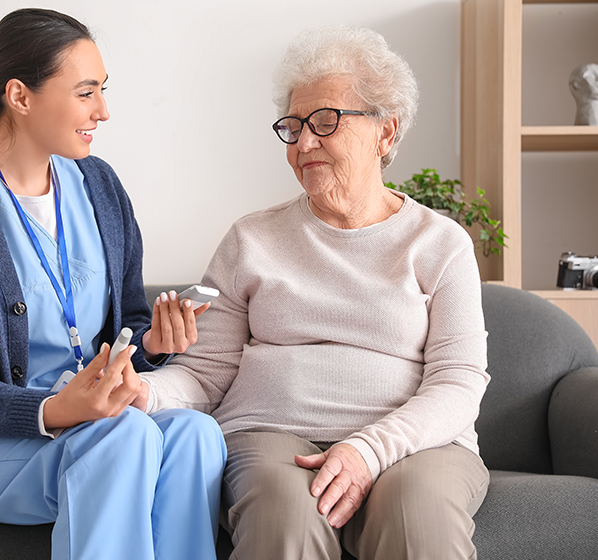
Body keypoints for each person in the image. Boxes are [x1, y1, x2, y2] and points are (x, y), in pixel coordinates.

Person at [0, 9, 226, 560]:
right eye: (86, 93)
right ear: (20, 95)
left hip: (96, 425)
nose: (103, 111)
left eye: (102, 91)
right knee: (123, 434)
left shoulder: (99, 186)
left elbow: (125, 322)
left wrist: (151, 342)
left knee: (196, 436)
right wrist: (57, 410)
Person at [141, 26, 490, 560]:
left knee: (419, 522)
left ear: (386, 132)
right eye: (294, 126)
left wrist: (369, 450)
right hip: (268, 435)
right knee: (283, 522)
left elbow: (459, 381)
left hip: (415, 447)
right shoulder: (250, 239)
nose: (304, 143)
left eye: (326, 121)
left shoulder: (440, 244)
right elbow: (204, 373)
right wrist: (145, 394)